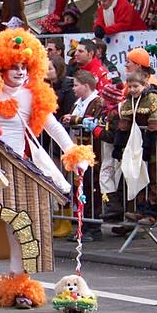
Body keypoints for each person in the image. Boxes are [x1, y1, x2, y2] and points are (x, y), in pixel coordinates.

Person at [0, 28, 82, 307]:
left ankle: (18, 283)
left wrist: (73, 152)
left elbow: (53, 127)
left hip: (17, 170)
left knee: (20, 225)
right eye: (13, 66)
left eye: (24, 66)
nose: (19, 72)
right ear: (0, 67)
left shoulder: (31, 96)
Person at [111, 70, 157, 226]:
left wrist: (148, 148)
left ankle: (152, 211)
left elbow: (155, 124)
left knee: (154, 177)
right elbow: (124, 124)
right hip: (135, 144)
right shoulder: (129, 102)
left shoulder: (153, 100)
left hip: (153, 143)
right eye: (130, 86)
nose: (133, 89)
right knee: (136, 174)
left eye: (136, 86)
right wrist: (118, 146)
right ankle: (140, 209)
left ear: (145, 85)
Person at [62, 69, 104, 241]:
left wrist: (73, 120)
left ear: (86, 86)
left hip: (92, 152)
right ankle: (82, 224)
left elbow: (95, 122)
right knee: (80, 186)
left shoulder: (97, 102)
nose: (74, 88)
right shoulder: (78, 102)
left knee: (90, 187)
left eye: (77, 85)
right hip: (78, 152)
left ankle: (92, 226)